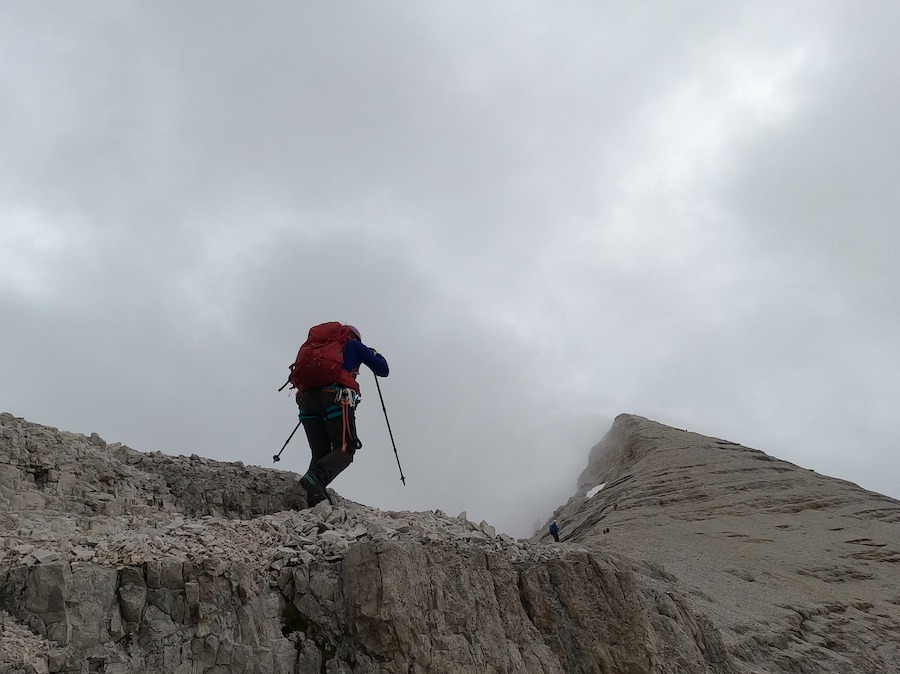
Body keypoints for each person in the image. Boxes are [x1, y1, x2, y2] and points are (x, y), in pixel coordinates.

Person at [297, 324, 389, 506]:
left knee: (320, 451)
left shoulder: (317, 348)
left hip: (307, 401)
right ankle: (316, 477)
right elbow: (383, 370)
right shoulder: (354, 345)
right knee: (345, 449)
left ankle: (314, 500)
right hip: (336, 398)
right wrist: (375, 355)